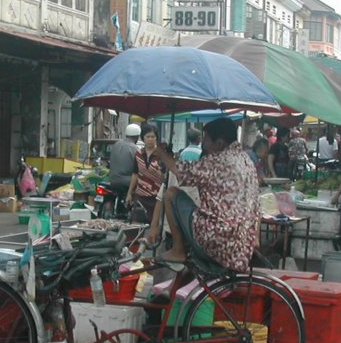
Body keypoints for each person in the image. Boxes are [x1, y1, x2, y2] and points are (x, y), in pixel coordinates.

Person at [152, 116, 261, 272]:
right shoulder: (246, 161)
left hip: (216, 239)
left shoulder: (217, 161)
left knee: (170, 193)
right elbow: (258, 206)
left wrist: (162, 154)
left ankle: (178, 250)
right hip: (241, 246)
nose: (204, 144)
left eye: (206, 140)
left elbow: (181, 171)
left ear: (219, 143)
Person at [126, 123, 163, 223]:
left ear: (156, 138)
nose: (150, 139)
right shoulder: (138, 154)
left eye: (153, 137)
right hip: (140, 196)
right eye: (148, 137)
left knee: (155, 225)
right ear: (143, 138)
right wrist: (129, 193)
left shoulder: (161, 155)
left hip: (157, 198)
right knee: (137, 224)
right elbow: (135, 174)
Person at [107, 123, 140, 195]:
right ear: (137, 137)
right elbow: (138, 169)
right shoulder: (135, 149)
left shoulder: (116, 144)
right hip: (127, 182)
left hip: (112, 180)